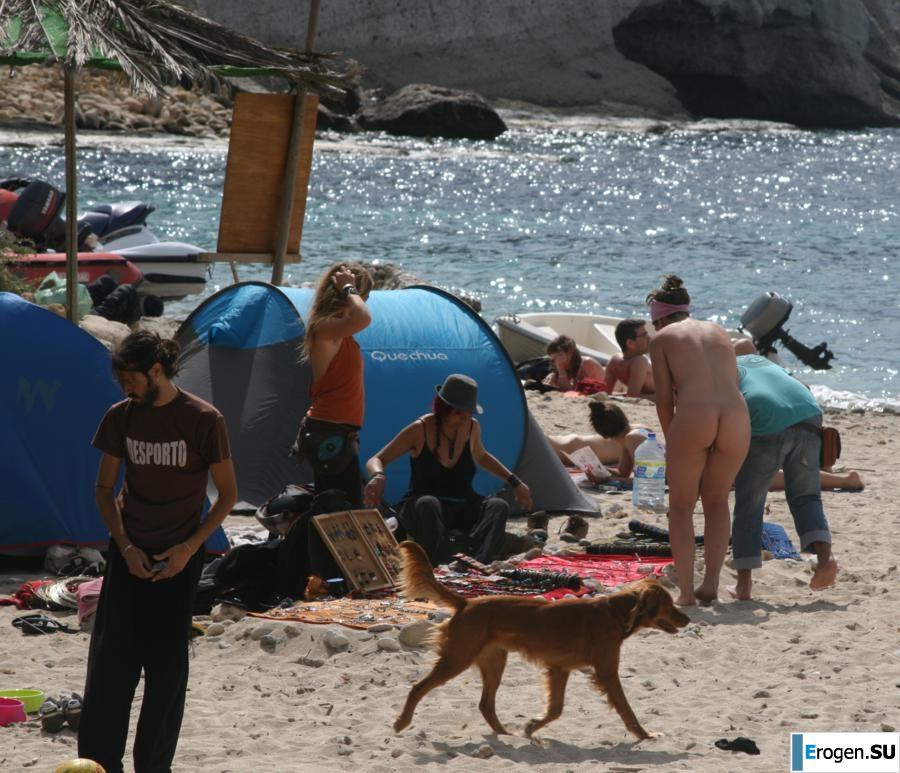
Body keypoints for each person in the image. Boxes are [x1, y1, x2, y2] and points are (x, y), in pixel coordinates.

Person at [78, 331, 237, 773]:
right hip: (129, 552)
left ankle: (153, 765)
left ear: (156, 371)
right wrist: (125, 547)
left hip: (180, 558)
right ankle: (99, 762)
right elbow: (105, 488)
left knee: (166, 672)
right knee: (111, 667)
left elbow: (227, 495)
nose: (125, 387)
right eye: (120, 380)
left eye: (130, 378)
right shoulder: (121, 417)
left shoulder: (204, 419)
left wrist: (189, 549)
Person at [648, 275, 750, 606]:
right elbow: (733, 379)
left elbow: (664, 400)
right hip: (736, 415)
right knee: (718, 500)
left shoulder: (662, 338)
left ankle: (687, 593)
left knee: (680, 507)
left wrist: (672, 440)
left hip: (694, 415)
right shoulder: (719, 331)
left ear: (659, 317)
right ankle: (712, 585)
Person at [363, 374, 533, 565]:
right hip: (423, 508)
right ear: (444, 409)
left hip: (460, 504)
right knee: (429, 503)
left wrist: (515, 482)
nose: (465, 418)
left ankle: (477, 563)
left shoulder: (471, 428)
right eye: (459, 412)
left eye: (469, 413)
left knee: (498, 506)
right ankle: (442, 566)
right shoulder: (420, 429)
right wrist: (378, 476)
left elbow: (482, 456)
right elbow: (376, 459)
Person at [729, 355, 839, 600]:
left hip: (767, 420)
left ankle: (743, 585)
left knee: (750, 502)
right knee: (806, 496)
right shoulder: (763, 362)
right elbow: (803, 387)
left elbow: (727, 416)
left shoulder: (725, 368)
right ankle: (826, 559)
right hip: (809, 413)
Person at [293, 262, 373, 507]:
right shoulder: (326, 328)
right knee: (342, 509)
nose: (363, 301)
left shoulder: (341, 333)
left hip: (339, 431)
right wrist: (349, 287)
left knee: (342, 505)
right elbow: (364, 317)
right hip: (328, 432)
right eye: (364, 296)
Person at [548, 401, 652, 477]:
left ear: (604, 436)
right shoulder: (635, 434)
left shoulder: (632, 438)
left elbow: (647, 480)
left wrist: (608, 480)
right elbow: (623, 474)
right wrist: (600, 473)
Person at [604, 318, 655, 398]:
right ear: (630, 343)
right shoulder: (639, 361)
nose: (650, 338)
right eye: (645, 335)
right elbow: (631, 398)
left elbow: (631, 397)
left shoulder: (615, 361)